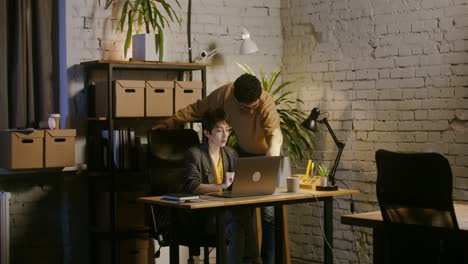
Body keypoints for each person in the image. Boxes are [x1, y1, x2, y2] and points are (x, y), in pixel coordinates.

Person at [154, 73, 282, 263]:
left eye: (253, 108)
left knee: (268, 214)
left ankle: (265, 260)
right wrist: (170, 122)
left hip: (267, 155)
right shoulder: (225, 95)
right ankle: (252, 259)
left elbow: (275, 135)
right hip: (244, 153)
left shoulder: (265, 102)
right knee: (245, 212)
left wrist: (268, 161)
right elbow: (197, 109)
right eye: (245, 108)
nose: (250, 112)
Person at [184, 108, 261, 264]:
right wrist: (221, 185)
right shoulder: (195, 154)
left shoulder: (230, 153)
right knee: (242, 217)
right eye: (219, 131)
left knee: (238, 224)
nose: (226, 135)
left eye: (227, 130)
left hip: (228, 212)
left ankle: (251, 259)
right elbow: (193, 186)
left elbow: (237, 183)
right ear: (206, 133)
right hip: (207, 215)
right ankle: (255, 258)